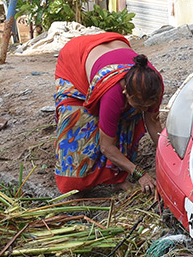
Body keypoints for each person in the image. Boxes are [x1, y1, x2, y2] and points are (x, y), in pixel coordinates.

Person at [53, 31, 163, 195]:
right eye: (138, 104)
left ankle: (115, 177)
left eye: (146, 106)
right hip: (75, 61)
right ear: (126, 92)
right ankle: (80, 185)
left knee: (127, 117)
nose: (142, 110)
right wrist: (140, 173)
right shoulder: (113, 93)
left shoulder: (153, 84)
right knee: (80, 121)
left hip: (107, 49)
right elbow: (106, 147)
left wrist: (166, 157)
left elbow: (153, 122)